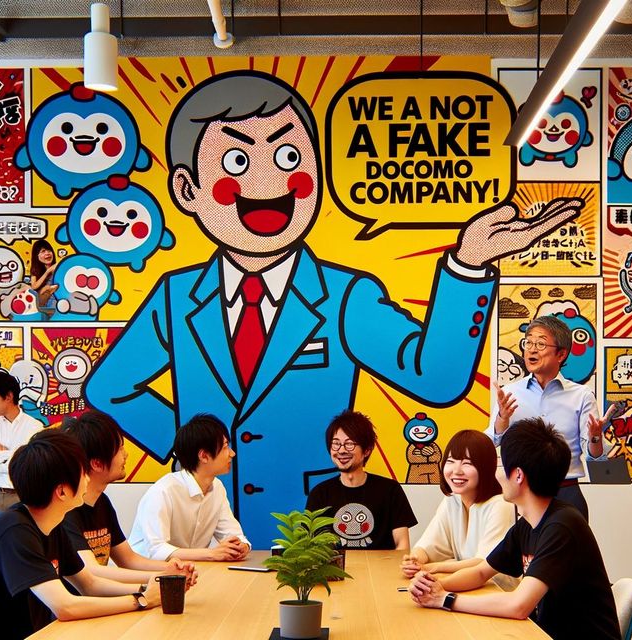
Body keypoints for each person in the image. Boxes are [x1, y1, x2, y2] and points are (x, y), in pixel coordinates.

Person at [84, 70, 583, 548]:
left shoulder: (345, 295)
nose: (269, 183)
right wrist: (193, 449)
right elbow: (109, 386)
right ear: (187, 190)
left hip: (315, 522)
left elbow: (435, 378)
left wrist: (467, 265)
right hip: (212, 529)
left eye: (287, 156)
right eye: (236, 161)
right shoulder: (176, 295)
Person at [409, 417, 621, 640]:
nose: (497, 474)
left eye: (501, 465)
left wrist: (445, 599)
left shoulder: (562, 527)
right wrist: (433, 586)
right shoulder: (527, 524)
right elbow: (481, 572)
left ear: (518, 475)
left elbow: (518, 605)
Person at [0, 429, 164, 640]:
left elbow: (89, 584)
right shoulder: (14, 529)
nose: (87, 479)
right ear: (62, 492)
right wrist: (141, 600)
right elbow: (65, 607)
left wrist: (150, 588)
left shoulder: (52, 524)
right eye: (83, 472)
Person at [487, 314, 612, 520]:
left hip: (565, 492)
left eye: (540, 344)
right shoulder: (510, 393)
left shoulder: (581, 395)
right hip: (523, 494)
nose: (531, 349)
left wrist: (595, 437)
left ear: (561, 354)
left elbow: (595, 457)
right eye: (528, 342)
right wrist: (502, 420)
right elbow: (491, 442)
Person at [60, 410, 196, 583]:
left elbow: (128, 560)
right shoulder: (67, 511)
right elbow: (93, 572)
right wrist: (162, 577)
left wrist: (172, 568)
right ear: (97, 464)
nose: (125, 455)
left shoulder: (102, 502)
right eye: (119, 449)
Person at [128, 413, 251, 561]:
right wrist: (211, 553)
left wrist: (242, 546)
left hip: (190, 570)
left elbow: (233, 534)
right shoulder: (164, 491)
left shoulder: (217, 487)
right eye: (225, 447)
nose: (232, 453)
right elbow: (156, 551)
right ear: (204, 456)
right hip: (146, 572)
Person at [401, 430, 515, 585]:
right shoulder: (452, 500)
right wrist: (414, 559)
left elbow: (484, 563)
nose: (456, 471)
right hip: (464, 585)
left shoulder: (500, 505)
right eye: (450, 461)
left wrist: (433, 567)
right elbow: (429, 545)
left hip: (497, 589)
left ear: (486, 467)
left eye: (467, 463)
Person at [306, 410, 416, 549]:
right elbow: (311, 547)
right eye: (336, 443)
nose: (341, 450)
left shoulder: (390, 490)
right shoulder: (319, 493)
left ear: (367, 450)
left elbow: (402, 544)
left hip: (381, 563)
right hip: (335, 563)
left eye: (349, 444)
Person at [0, 370, 43, 510]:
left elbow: (28, 466)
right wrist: (12, 456)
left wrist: (1, 455)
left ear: (8, 396)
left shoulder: (34, 426)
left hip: (20, 496)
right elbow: (18, 462)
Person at [29, 239, 58, 313]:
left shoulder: (58, 267)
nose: (47, 253)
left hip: (56, 303)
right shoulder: (35, 271)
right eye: (43, 251)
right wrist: (47, 272)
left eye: (49, 250)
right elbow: (34, 286)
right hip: (43, 306)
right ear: (37, 256)